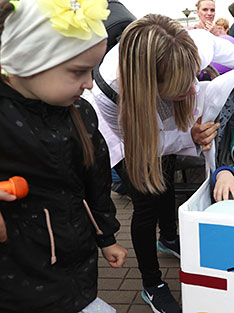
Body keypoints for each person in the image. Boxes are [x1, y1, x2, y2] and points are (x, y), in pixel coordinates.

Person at [91, 14, 234, 313]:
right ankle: (152, 284)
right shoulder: (109, 95)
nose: (194, 89)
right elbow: (144, 146)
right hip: (132, 137)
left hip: (156, 113)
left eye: (194, 75)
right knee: (146, 200)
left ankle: (168, 238)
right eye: (181, 85)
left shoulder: (191, 45)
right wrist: (189, 134)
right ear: (149, 84)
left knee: (165, 181)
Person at [0, 0, 128, 312]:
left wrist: (106, 237)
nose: (88, 83)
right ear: (29, 58)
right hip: (16, 275)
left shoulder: (81, 114)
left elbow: (96, 181)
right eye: (77, 71)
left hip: (76, 265)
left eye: (92, 69)